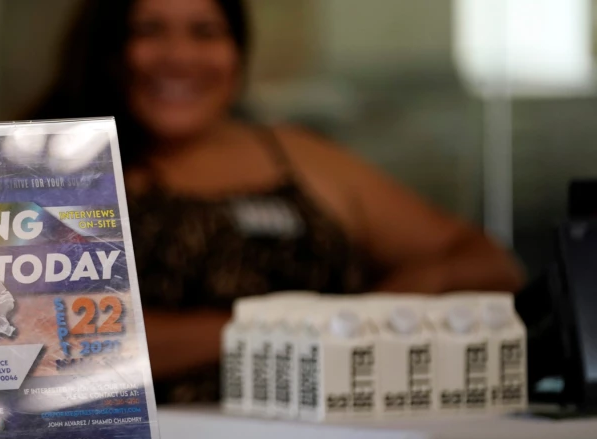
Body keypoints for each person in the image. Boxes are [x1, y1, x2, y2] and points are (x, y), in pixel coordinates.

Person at [29, 0, 524, 402]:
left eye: (206, 32)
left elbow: (489, 264)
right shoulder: (51, 167)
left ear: (238, 52)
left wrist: (387, 303)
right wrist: (292, 328)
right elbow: (34, 340)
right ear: (107, 49)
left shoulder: (298, 156)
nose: (179, 56)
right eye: (149, 30)